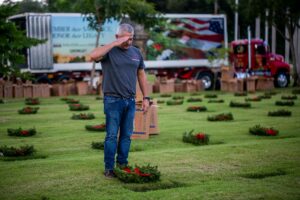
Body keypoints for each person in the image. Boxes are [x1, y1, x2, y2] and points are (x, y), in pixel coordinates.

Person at [90, 23, 150, 178]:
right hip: (112, 101)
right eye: (125, 39)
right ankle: (109, 168)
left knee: (126, 135)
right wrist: (115, 43)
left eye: (131, 39)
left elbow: (141, 75)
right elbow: (93, 55)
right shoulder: (109, 51)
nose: (129, 42)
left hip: (130, 101)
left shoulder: (136, 52)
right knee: (111, 135)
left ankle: (122, 164)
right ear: (117, 37)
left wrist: (146, 97)